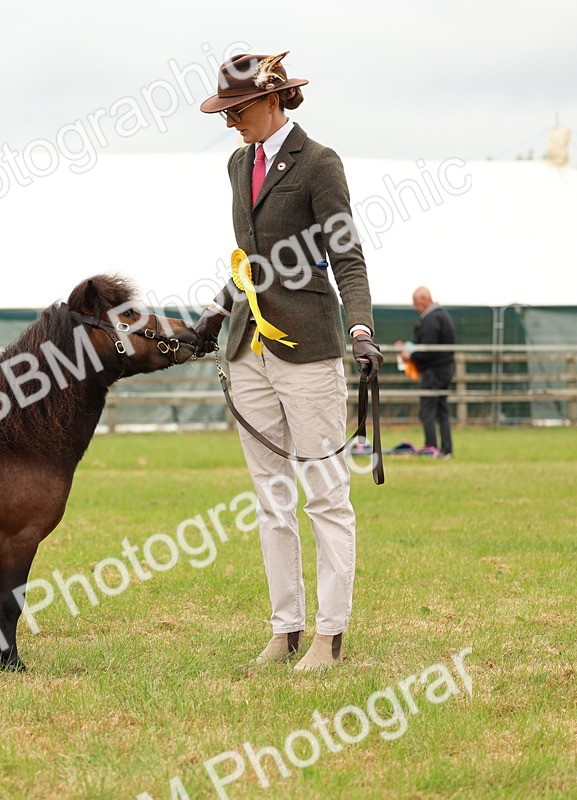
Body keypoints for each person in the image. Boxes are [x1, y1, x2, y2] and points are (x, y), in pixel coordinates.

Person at [193, 52, 384, 671]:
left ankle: (331, 633)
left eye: (238, 110)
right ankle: (286, 628)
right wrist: (218, 313)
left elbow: (346, 254)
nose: (230, 123)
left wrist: (360, 327)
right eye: (225, 113)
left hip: (309, 346)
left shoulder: (320, 163)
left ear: (272, 100)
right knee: (270, 496)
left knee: (324, 493)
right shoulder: (236, 163)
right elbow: (251, 259)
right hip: (248, 346)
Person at [401, 287, 455, 457]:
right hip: (445, 369)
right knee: (441, 411)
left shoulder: (431, 319)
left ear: (424, 299)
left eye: (416, 302)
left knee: (427, 411)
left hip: (434, 372)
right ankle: (446, 450)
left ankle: (430, 448)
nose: (414, 306)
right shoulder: (442, 316)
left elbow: (428, 351)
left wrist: (409, 355)